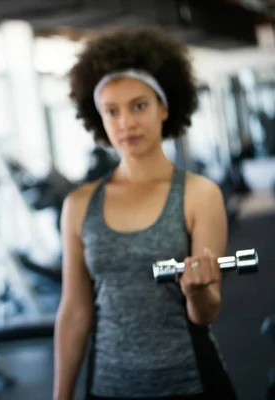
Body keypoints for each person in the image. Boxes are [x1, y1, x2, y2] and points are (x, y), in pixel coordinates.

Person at [53, 27, 236, 400]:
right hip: (107, 387)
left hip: (191, 383)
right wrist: (61, 396)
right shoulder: (79, 205)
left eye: (139, 105)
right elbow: (74, 311)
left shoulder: (200, 195)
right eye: (112, 111)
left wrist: (196, 291)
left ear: (164, 108)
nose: (126, 123)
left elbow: (206, 313)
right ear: (98, 118)